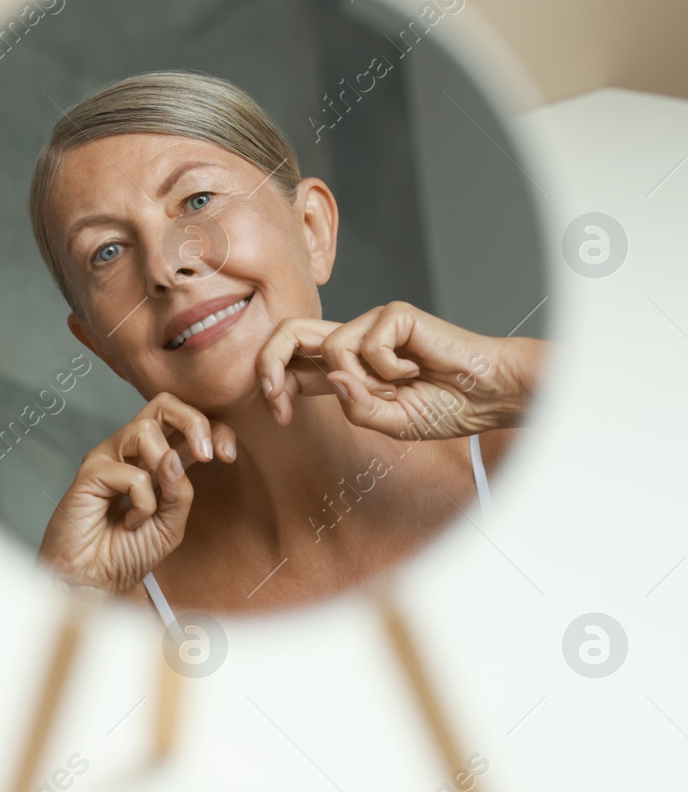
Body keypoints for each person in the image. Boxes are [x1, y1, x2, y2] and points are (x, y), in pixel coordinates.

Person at [29, 71, 545, 615]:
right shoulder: (117, 597)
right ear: (101, 348)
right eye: (107, 251)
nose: (164, 266)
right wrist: (65, 593)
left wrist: (506, 382)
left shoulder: (521, 436)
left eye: (198, 200)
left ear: (312, 229)